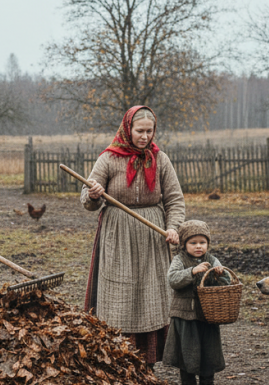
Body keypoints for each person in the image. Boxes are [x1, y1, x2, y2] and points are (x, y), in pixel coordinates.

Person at [82, 105, 185, 368]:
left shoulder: (160, 159)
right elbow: (87, 200)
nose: (145, 136)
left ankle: (148, 362)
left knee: (151, 294)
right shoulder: (108, 158)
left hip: (152, 236)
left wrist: (173, 226)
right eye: (140, 131)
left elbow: (174, 199)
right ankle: (117, 359)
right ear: (128, 129)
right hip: (117, 235)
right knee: (120, 292)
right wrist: (93, 194)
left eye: (150, 131)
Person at [163, 220, 231, 385]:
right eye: (193, 243)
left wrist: (220, 275)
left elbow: (226, 282)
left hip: (207, 316)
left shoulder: (212, 260)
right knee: (187, 354)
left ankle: (207, 380)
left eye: (202, 242)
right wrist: (192, 272)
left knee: (208, 353)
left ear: (208, 244)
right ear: (184, 244)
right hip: (185, 317)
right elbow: (173, 279)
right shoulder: (179, 259)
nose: (198, 246)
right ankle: (188, 381)